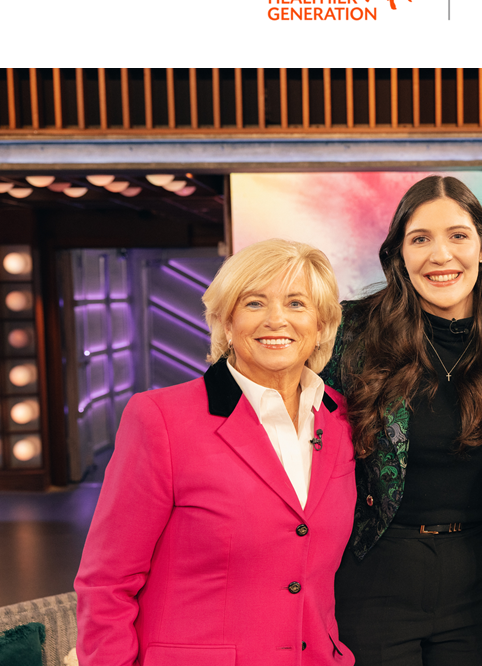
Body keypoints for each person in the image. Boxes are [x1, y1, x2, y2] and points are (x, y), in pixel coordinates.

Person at [75, 239, 356, 666]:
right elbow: (106, 583)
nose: (276, 319)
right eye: (254, 303)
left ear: (321, 326)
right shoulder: (159, 419)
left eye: (296, 303)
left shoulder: (342, 419)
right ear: (226, 323)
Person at [321, 175, 482, 666]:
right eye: (420, 239)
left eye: (458, 236)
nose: (441, 255)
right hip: (372, 575)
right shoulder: (351, 330)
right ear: (399, 254)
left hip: (477, 578)